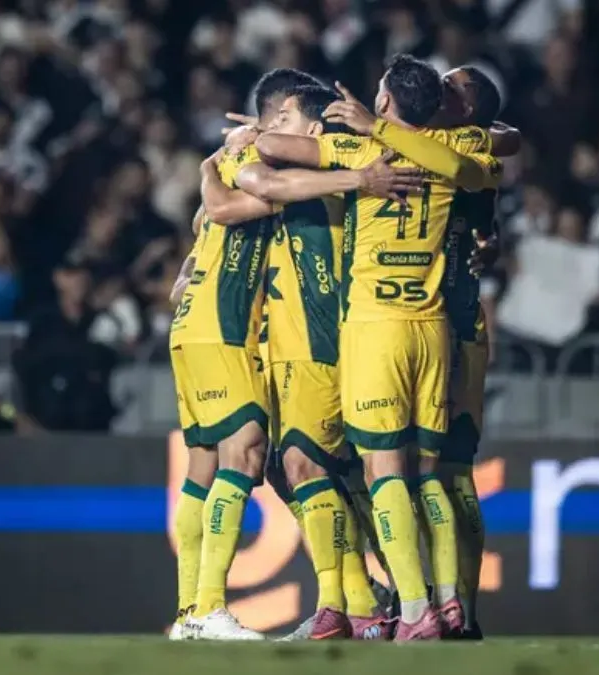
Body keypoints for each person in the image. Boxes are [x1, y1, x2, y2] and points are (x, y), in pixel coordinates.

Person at [253, 54, 503, 641]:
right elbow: (480, 160)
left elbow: (274, 155)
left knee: (385, 470)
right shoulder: (465, 154)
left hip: (376, 329)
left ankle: (414, 610)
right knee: (436, 477)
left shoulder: (364, 151)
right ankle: (452, 606)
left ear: (386, 102)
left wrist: (346, 132)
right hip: (435, 327)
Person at [169, 69, 423, 641]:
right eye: (269, 122)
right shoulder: (299, 174)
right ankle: (350, 602)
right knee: (299, 469)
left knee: (309, 470)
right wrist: (221, 166)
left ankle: (370, 601)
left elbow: (213, 210)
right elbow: (214, 210)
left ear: (311, 125)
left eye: (281, 122)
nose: (270, 131)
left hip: (322, 344)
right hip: (266, 345)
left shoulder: (341, 167)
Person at [324, 63, 515, 640]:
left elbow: (502, 141)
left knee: (447, 473)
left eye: (454, 86)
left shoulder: (462, 145)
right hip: (434, 322)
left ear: (467, 108)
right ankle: (440, 601)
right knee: (432, 475)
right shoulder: (438, 145)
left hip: (446, 323)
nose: (440, 86)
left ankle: (449, 608)